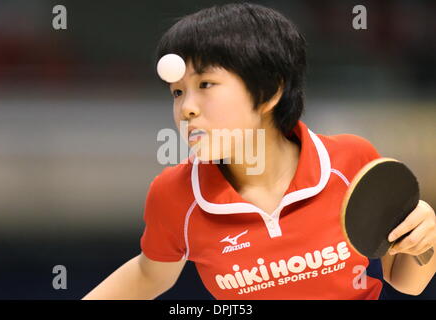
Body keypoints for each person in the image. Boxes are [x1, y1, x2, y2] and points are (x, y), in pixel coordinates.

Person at [83, 2, 436, 300]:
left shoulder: (351, 161)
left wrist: (424, 240)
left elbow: (406, 281)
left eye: (205, 84)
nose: (186, 108)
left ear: (269, 91)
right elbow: (150, 274)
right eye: (177, 92)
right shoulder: (176, 195)